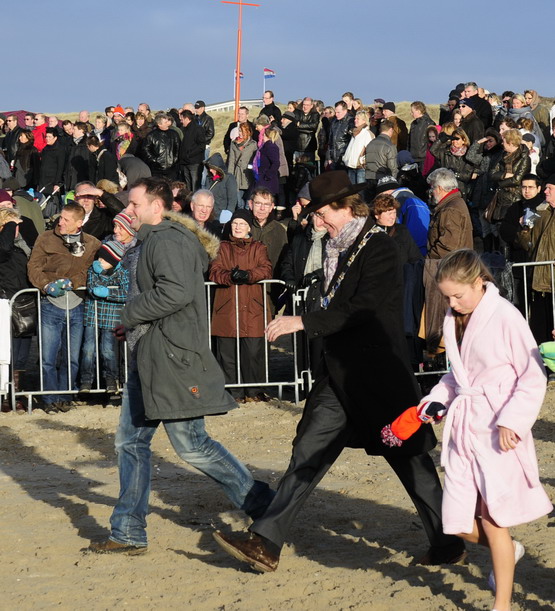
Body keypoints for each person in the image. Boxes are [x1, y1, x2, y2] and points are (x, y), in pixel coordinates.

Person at [212, 171, 466, 572]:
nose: (318, 220)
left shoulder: (379, 248)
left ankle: (448, 540)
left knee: (411, 461)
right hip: (339, 376)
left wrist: (304, 321)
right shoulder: (334, 247)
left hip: (379, 375)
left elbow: (361, 308)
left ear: (347, 207)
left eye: (323, 212)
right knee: (307, 454)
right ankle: (265, 542)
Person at [87, 177, 273, 555]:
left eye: (134, 204)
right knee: (131, 443)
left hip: (171, 357)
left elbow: (175, 292)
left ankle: (266, 507)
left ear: (157, 207)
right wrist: (133, 324)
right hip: (150, 354)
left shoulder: (167, 239)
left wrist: (131, 312)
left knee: (193, 446)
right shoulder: (153, 239)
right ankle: (127, 532)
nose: (129, 210)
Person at [421, 249, 552, 611]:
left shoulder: (506, 317)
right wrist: (437, 400)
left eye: (458, 295)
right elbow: (459, 376)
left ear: (480, 282)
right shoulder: (456, 318)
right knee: (457, 521)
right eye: (446, 296)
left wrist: (513, 420)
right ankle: (508, 551)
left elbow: (532, 374)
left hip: (497, 430)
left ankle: (503, 605)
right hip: (466, 428)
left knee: (493, 519)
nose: (452, 303)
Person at [27, 202, 100, 413]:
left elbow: (90, 270)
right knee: (48, 357)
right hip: (50, 304)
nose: (61, 222)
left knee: (72, 358)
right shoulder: (46, 238)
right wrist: (46, 285)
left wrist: (73, 282)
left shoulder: (92, 243)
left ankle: (65, 395)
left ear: (79, 223)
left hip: (77, 304)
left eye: (66, 220)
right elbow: (33, 266)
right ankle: (50, 399)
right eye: (61, 218)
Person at [209, 209, 273, 403]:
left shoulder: (258, 247)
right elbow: (214, 271)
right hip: (227, 305)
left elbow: (266, 269)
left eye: (242, 224)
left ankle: (254, 391)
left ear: (248, 227)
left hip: (252, 306)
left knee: (253, 351)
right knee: (227, 352)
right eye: (235, 223)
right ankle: (232, 392)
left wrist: (248, 275)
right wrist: (229, 276)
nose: (238, 227)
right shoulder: (221, 247)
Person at [423, 168, 473, 356]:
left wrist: (429, 260)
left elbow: (447, 246)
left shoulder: (451, 209)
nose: (431, 193)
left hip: (447, 271)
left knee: (445, 322)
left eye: (433, 188)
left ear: (441, 188)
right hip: (451, 270)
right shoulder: (452, 205)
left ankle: (441, 358)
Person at [80, 239, 130, 394]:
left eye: (104, 259)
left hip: (111, 317)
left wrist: (109, 292)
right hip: (92, 315)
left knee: (107, 350)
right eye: (99, 257)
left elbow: (126, 293)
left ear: (113, 261)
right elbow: (91, 287)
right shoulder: (93, 270)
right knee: (88, 350)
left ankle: (111, 380)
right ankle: (86, 381)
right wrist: (98, 273)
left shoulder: (122, 272)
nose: (100, 261)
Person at [0, 207, 34, 412]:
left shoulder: (22, 247)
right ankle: (5, 394)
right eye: (15, 226)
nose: (18, 229)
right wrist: (9, 223)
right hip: (6, 304)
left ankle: (16, 393)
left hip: (25, 304)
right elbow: (3, 250)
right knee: (6, 353)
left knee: (21, 356)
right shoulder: (3, 247)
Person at [228, 122, 257, 209]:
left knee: (248, 203)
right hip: (237, 175)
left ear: (248, 132)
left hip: (248, 176)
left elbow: (255, 160)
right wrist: (230, 177)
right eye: (239, 131)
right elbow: (231, 161)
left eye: (242, 131)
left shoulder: (253, 144)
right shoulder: (233, 144)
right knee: (239, 203)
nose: (240, 133)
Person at [342, 110, 373, 184]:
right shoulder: (354, 132)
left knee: (361, 191)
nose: (355, 120)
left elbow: (370, 151)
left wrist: (362, 162)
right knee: (352, 191)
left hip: (361, 168)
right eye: (355, 118)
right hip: (351, 166)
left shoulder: (367, 134)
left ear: (364, 120)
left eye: (357, 119)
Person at [408, 101, 435, 171]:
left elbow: (433, 141)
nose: (411, 113)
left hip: (424, 158)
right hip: (413, 157)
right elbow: (409, 140)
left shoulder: (429, 123)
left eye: (412, 111)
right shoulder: (413, 124)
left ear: (419, 111)